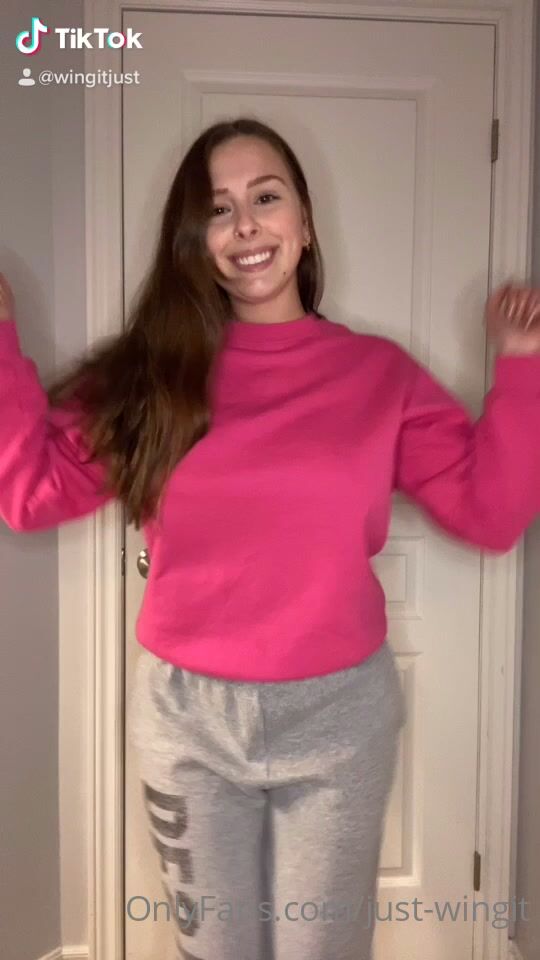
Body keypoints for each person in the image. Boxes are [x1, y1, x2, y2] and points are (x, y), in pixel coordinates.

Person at [1, 117, 540, 960]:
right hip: (187, 722)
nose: (245, 225)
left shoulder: (377, 375)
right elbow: (30, 494)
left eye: (266, 197)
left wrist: (522, 364)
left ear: (305, 222)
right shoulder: (151, 375)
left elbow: (492, 513)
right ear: (194, 240)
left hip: (339, 719)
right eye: (218, 209)